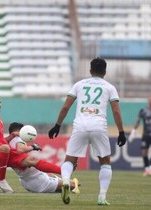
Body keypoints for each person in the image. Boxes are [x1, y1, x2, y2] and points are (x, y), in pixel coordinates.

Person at [48, 57, 126, 206]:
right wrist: (121, 132)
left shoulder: (79, 84)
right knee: (105, 163)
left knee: (70, 160)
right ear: (105, 71)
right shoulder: (109, 87)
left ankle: (65, 181)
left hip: (80, 126)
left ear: (90, 71)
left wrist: (57, 125)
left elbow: (65, 107)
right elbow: (116, 111)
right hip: (99, 126)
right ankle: (102, 197)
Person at [0, 88, 61, 193]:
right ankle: (1, 180)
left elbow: (1, 141)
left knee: (32, 160)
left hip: (2, 150)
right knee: (5, 148)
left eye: (0, 102)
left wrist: (12, 136)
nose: (0, 104)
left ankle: (64, 171)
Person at [0, 122, 80, 194]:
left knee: (50, 174)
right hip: (37, 181)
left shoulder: (5, 146)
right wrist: (32, 147)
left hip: (27, 180)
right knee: (73, 184)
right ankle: (66, 174)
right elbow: (21, 149)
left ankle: (65, 175)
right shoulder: (17, 139)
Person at [129, 95, 151, 177]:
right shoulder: (143, 110)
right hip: (146, 134)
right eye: (150, 100)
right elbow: (138, 121)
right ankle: (147, 169)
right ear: (148, 101)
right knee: (144, 153)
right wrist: (133, 131)